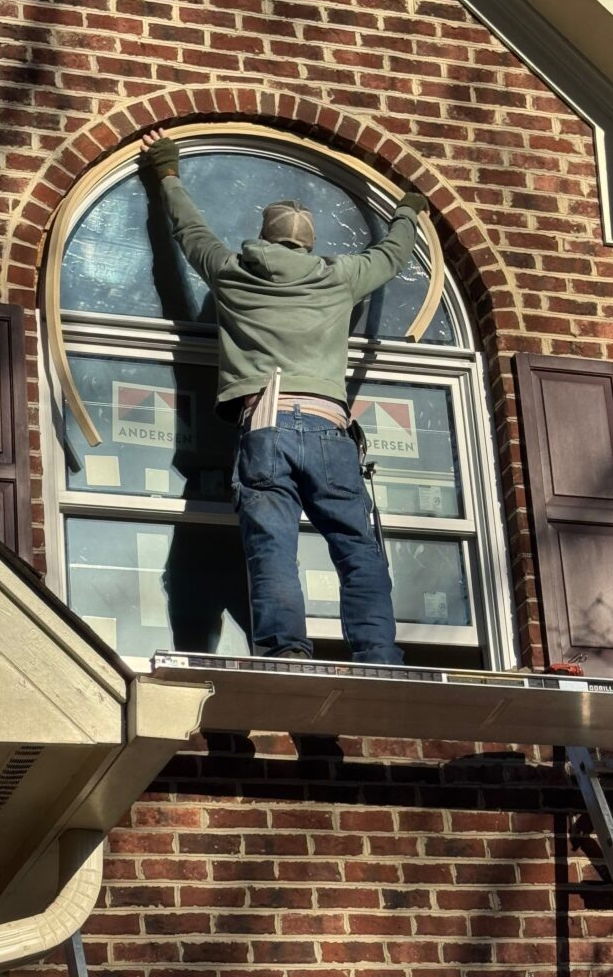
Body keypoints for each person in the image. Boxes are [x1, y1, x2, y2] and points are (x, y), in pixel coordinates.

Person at [141, 127, 428, 664]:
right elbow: (392, 254)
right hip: (328, 428)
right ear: (308, 241)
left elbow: (187, 231)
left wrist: (167, 169)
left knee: (273, 550)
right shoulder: (340, 277)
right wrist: (409, 208)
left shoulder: (232, 273)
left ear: (265, 236)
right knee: (357, 549)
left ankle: (286, 652)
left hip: (264, 423)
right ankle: (377, 655)